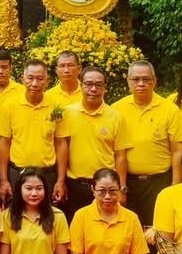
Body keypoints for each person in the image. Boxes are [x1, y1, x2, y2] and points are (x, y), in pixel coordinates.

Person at [113, 61, 182, 254]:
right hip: (128, 181)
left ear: (155, 81)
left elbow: (178, 150)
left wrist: (175, 186)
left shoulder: (169, 109)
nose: (141, 84)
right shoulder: (117, 109)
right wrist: (121, 186)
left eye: (146, 79)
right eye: (135, 79)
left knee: (157, 230)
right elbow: (116, 152)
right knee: (128, 229)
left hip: (159, 180)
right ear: (128, 82)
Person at [54, 67, 131, 216]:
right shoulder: (67, 113)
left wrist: (121, 189)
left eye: (98, 85)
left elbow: (120, 156)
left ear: (105, 87)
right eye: (88, 84)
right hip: (75, 185)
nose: (93, 89)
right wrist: (60, 181)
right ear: (81, 85)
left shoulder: (116, 117)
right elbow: (62, 148)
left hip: (105, 188)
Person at [0, 59, 59, 200]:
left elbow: (60, 143)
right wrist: (3, 180)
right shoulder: (9, 105)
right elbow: (4, 143)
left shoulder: (56, 106)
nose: (34, 83)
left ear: (47, 81)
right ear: (22, 79)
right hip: (18, 173)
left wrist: (60, 180)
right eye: (30, 78)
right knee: (16, 212)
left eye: (40, 79)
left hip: (47, 174)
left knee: (47, 213)